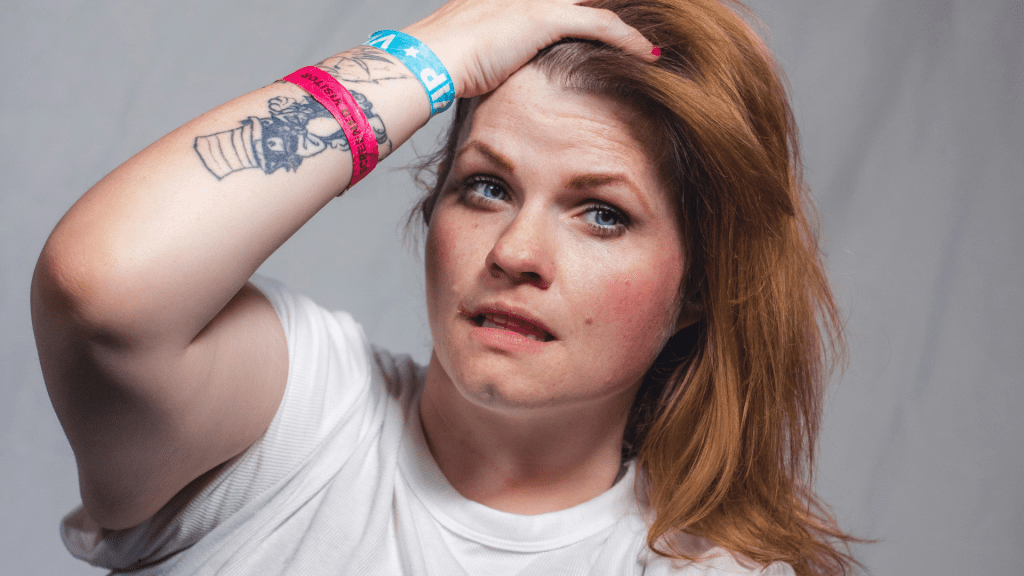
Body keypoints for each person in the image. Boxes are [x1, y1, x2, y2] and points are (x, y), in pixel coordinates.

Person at [31, 0, 859, 574]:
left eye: (602, 214)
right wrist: (426, 56)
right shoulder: (295, 417)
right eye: (487, 187)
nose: (516, 252)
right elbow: (101, 288)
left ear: (698, 289)